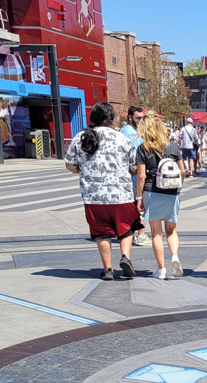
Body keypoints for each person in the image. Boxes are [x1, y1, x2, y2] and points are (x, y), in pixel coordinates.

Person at [64, 101, 142, 281]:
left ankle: (108, 269)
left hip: (93, 197)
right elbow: (133, 167)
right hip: (121, 195)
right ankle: (125, 257)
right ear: (112, 119)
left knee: (102, 233)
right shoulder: (122, 138)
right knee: (126, 229)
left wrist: (82, 170)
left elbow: (69, 164)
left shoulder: (81, 137)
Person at [136, 115, 185, 279]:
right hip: (172, 191)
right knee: (172, 230)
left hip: (152, 190)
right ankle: (175, 257)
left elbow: (141, 176)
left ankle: (161, 269)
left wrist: (138, 197)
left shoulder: (143, 148)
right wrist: (178, 186)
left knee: (156, 233)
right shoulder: (172, 146)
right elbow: (182, 170)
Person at [120, 105, 151, 246]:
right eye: (138, 118)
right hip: (134, 175)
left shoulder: (134, 131)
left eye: (142, 118)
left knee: (135, 205)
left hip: (135, 174)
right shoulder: (128, 132)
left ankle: (133, 233)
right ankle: (141, 234)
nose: (140, 120)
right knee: (140, 205)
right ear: (130, 117)